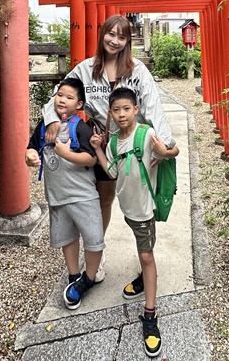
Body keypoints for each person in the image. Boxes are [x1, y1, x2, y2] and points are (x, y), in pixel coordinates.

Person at [42, 14, 177, 283]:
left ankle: (145, 256)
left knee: (141, 205)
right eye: (110, 34)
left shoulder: (138, 70)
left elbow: (153, 109)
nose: (114, 41)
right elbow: (58, 96)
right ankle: (98, 253)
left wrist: (166, 145)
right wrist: (53, 120)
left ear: (127, 41)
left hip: (135, 146)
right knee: (104, 200)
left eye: (121, 36)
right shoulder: (85, 69)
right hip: (102, 145)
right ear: (102, 34)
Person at [90, 87, 179, 358]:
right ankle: (142, 278)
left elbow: (173, 151)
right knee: (143, 250)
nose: (121, 114)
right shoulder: (115, 141)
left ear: (136, 110)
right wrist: (98, 149)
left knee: (146, 255)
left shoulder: (146, 133)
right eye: (116, 110)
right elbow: (113, 171)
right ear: (110, 113)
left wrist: (164, 151)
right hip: (128, 209)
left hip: (144, 210)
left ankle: (150, 315)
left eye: (126, 109)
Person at [25, 77, 102, 310]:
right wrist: (29, 156)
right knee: (67, 239)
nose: (62, 100)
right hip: (56, 196)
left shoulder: (80, 126)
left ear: (79, 105)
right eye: (60, 95)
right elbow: (31, 147)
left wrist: (66, 154)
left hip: (83, 195)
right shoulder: (44, 126)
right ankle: (73, 277)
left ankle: (87, 279)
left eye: (69, 97)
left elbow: (92, 158)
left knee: (94, 239)